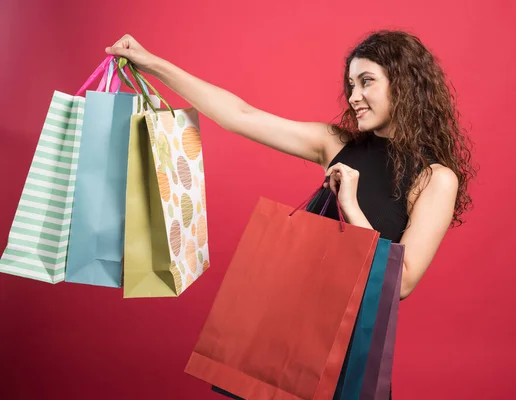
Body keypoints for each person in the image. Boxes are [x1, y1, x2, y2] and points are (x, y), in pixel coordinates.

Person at [107, 30, 476, 398]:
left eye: (367, 82)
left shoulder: (435, 179)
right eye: (350, 84)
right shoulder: (334, 143)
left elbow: (403, 282)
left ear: (405, 84)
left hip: (347, 346)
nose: (354, 97)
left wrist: (351, 206)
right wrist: (151, 63)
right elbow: (239, 115)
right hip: (288, 335)